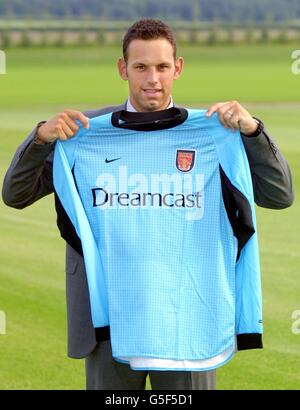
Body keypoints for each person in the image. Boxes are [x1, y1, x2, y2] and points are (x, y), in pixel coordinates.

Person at [2, 19, 294, 390]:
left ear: (178, 68)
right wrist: (41, 138)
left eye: (161, 67)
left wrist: (252, 132)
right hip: (109, 318)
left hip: (187, 317)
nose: (152, 78)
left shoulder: (212, 133)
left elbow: (279, 195)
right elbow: (15, 194)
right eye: (140, 67)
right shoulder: (85, 133)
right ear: (123, 69)